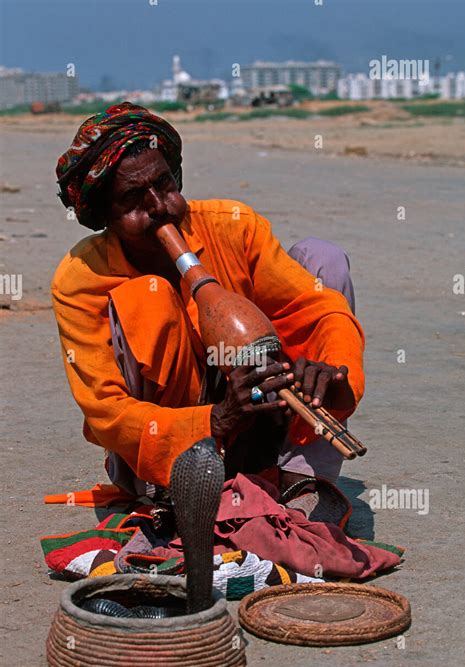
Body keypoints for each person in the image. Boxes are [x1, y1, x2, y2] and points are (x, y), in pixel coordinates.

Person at [53, 101, 364, 504]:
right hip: (175, 451)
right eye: (133, 199)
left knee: (323, 260)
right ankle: (172, 487)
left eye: (164, 184)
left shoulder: (232, 225)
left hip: (261, 425)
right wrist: (211, 422)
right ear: (103, 214)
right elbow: (106, 411)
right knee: (150, 298)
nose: (160, 207)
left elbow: (313, 309)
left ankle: (301, 474)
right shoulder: (81, 279)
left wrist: (331, 370)